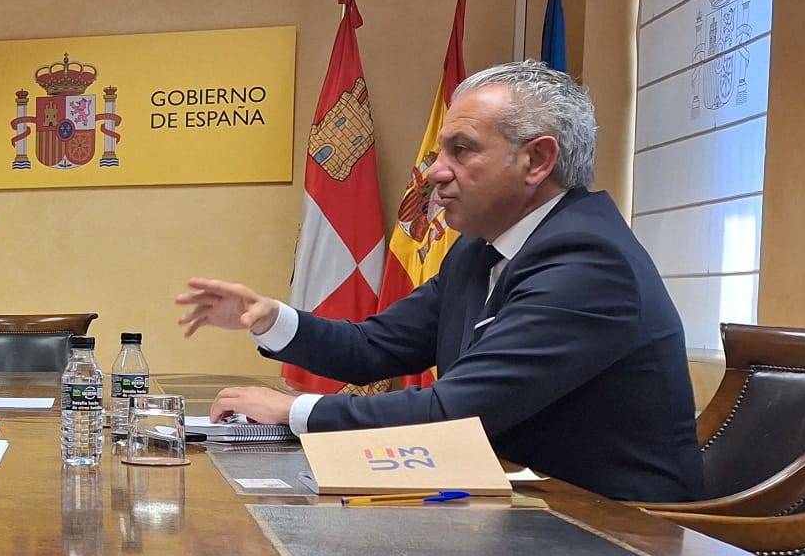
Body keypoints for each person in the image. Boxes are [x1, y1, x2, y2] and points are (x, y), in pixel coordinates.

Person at [176, 59, 702, 503]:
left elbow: (454, 411)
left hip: (612, 534)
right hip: (512, 506)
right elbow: (374, 346)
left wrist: (292, 411)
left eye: (462, 150)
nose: (433, 172)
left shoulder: (589, 262)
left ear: (537, 159)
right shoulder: (480, 249)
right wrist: (272, 320)